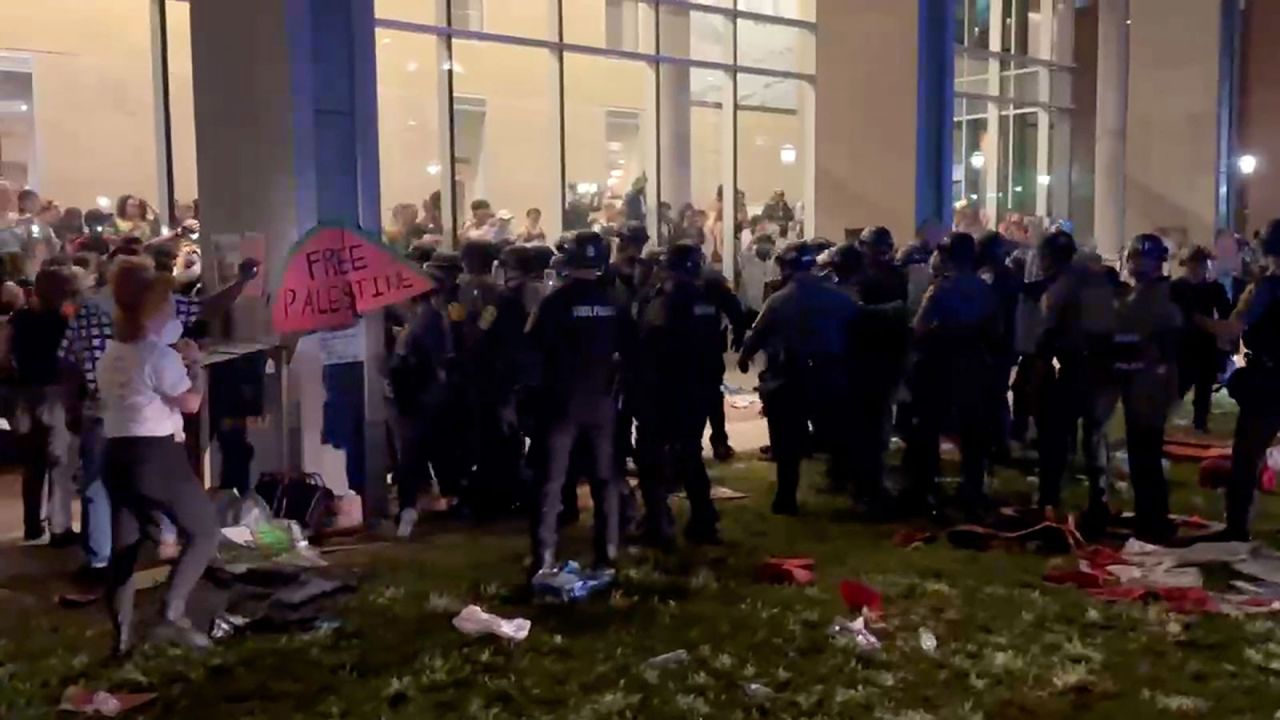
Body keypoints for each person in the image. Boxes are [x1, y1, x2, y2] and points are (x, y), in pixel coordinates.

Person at [96, 258, 217, 653]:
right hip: (157, 456)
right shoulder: (157, 356)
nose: (172, 312)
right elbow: (191, 404)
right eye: (166, 306)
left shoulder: (111, 352)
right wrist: (196, 365)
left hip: (115, 455)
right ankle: (171, 614)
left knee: (125, 548)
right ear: (152, 311)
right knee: (203, 531)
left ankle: (121, 638)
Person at [527, 231, 635, 573]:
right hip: (602, 402)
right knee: (604, 480)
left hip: (561, 403)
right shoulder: (615, 301)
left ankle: (543, 557)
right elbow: (632, 348)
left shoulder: (555, 302)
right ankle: (608, 553)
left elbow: (532, 351)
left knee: (552, 483)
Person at [738, 240, 859, 515]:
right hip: (829, 375)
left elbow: (756, 336)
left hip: (789, 378)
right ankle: (845, 483)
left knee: (786, 443)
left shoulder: (779, 300)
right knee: (838, 435)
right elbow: (858, 328)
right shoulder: (838, 297)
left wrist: (745, 359)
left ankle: (786, 497)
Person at [904, 232, 1002, 519]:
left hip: (939, 367)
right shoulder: (986, 291)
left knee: (928, 428)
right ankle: (972, 490)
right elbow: (995, 333)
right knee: (973, 434)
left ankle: (925, 489)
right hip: (975, 367)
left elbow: (919, 328)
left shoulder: (940, 290)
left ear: (946, 257)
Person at [635, 242, 724, 546]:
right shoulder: (705, 300)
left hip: (663, 389)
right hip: (697, 387)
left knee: (650, 456)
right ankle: (704, 518)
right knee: (689, 453)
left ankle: (657, 522)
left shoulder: (664, 299)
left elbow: (650, 343)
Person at [1032, 230, 1121, 527]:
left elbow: (1049, 331)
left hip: (1073, 367)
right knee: (1095, 437)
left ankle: (1049, 499)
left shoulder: (1061, 287)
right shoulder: (1097, 281)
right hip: (1104, 368)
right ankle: (1099, 500)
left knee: (1054, 436)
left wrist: (1038, 365)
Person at [1213, 219, 1280, 542]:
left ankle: (1236, 528)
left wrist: (1194, 320)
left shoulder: (1265, 288)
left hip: (1268, 382)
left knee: (1246, 457)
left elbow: (1232, 330)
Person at [388, 254, 460, 538]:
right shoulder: (428, 319)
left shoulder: (425, 321)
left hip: (422, 399)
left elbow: (426, 362)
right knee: (430, 453)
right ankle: (438, 501)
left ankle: (409, 510)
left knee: (414, 455)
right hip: (427, 397)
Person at [9, 267, 78, 545]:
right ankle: (59, 528)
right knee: (60, 463)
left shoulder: (20, 319)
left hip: (23, 394)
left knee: (32, 463)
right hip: (56, 394)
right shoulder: (65, 321)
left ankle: (31, 525)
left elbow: (5, 354)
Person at [1171, 246, 1233, 433]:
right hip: (1183, 343)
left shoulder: (1214, 288)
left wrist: (1224, 333)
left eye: (1201, 264)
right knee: (1179, 385)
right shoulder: (1177, 288)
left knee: (1204, 387)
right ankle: (1161, 419)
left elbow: (1226, 313)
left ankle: (1200, 422)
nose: (1198, 268)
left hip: (1205, 344)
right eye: (1195, 264)